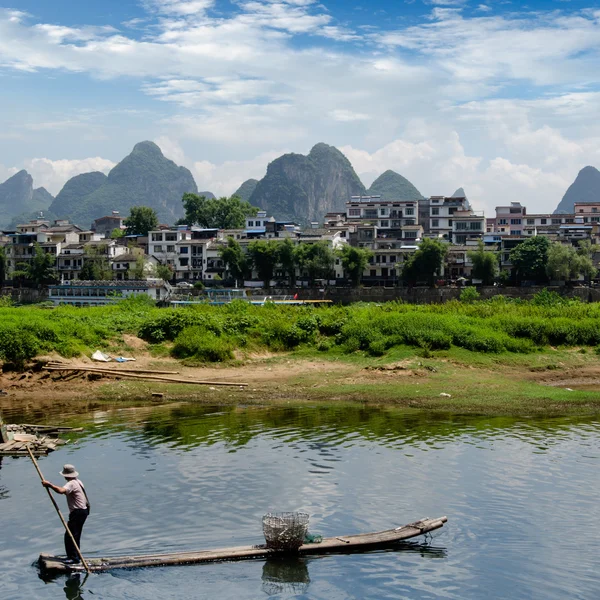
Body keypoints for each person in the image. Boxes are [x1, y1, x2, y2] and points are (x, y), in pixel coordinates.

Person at [42, 464, 90, 564]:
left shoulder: (71, 483)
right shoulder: (78, 481)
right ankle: (76, 555)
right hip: (83, 511)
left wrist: (49, 485)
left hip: (78, 512)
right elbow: (65, 491)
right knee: (75, 535)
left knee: (70, 536)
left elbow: (61, 491)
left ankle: (73, 558)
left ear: (65, 475)